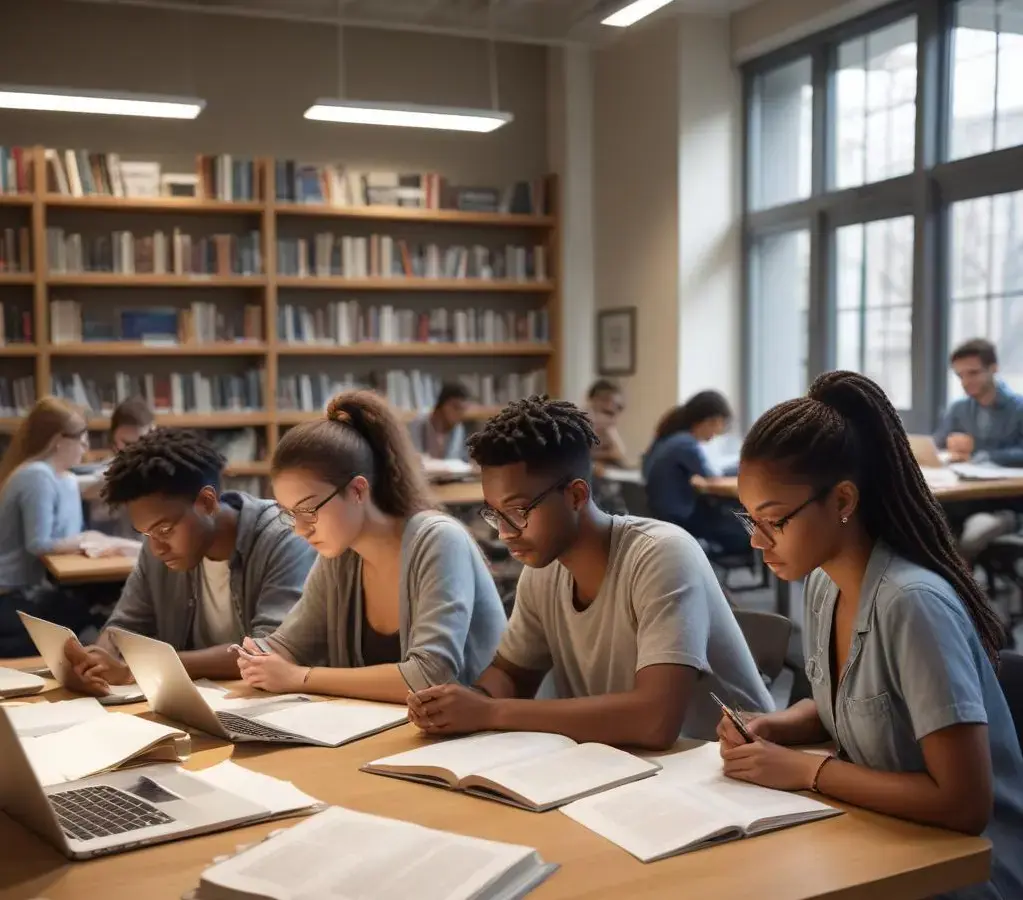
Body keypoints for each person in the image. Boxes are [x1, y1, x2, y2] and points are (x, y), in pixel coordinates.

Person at [719, 370, 1023, 900]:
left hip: (959, 869)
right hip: (880, 834)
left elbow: (964, 805)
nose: (756, 542)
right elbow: (861, 702)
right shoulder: (824, 583)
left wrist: (807, 771)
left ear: (841, 502)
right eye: (749, 519)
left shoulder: (912, 604)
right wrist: (777, 725)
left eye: (774, 521)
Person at [405, 395, 773, 748]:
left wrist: (490, 711)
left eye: (518, 512)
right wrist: (465, 702)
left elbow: (655, 721)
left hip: (727, 775)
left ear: (576, 496)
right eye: (494, 514)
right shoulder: (543, 569)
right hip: (625, 770)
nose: (503, 533)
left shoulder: (661, 555)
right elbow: (512, 674)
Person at [235, 390, 506, 703]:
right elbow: (290, 645)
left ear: (357, 490)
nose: (299, 529)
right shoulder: (341, 553)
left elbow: (430, 675)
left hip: (478, 740)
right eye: (289, 513)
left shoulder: (439, 540)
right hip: (395, 734)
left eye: (308, 510)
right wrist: (258, 655)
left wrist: (301, 678)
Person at [62, 428, 316, 690]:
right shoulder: (157, 547)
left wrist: (141, 668)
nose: (156, 548)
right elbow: (124, 626)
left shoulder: (284, 538)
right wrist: (98, 661)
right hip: (200, 703)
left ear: (206, 503)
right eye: (146, 533)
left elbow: (268, 648)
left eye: (164, 530)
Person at [0, 398, 113, 656]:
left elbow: (90, 483)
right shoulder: (36, 475)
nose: (86, 445)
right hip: (10, 594)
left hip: (28, 591)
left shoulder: (61, 476)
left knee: (90, 615)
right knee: (88, 620)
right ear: (59, 440)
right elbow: (38, 544)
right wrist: (87, 537)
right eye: (81, 437)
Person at [935, 338, 1023, 560]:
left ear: (993, 368)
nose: (965, 381)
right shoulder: (959, 408)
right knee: (929, 524)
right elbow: (938, 444)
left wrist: (978, 451)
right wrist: (949, 450)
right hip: (962, 497)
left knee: (968, 538)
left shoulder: (1018, 408)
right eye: (960, 375)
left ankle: (964, 589)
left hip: (1006, 501)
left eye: (973, 373)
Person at [642, 390, 747, 555]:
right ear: (709, 420)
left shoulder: (669, 440)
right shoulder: (685, 444)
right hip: (681, 522)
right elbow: (714, 478)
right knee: (749, 531)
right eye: (720, 424)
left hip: (665, 519)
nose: (719, 431)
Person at [407, 382, 472, 461]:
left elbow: (459, 459)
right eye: (456, 408)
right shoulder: (418, 424)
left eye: (463, 410)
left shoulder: (458, 429)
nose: (459, 414)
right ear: (441, 405)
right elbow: (413, 457)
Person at [586, 379, 628, 468]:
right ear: (592, 401)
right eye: (604, 400)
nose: (614, 421)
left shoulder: (607, 427)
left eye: (619, 408)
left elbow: (619, 452)